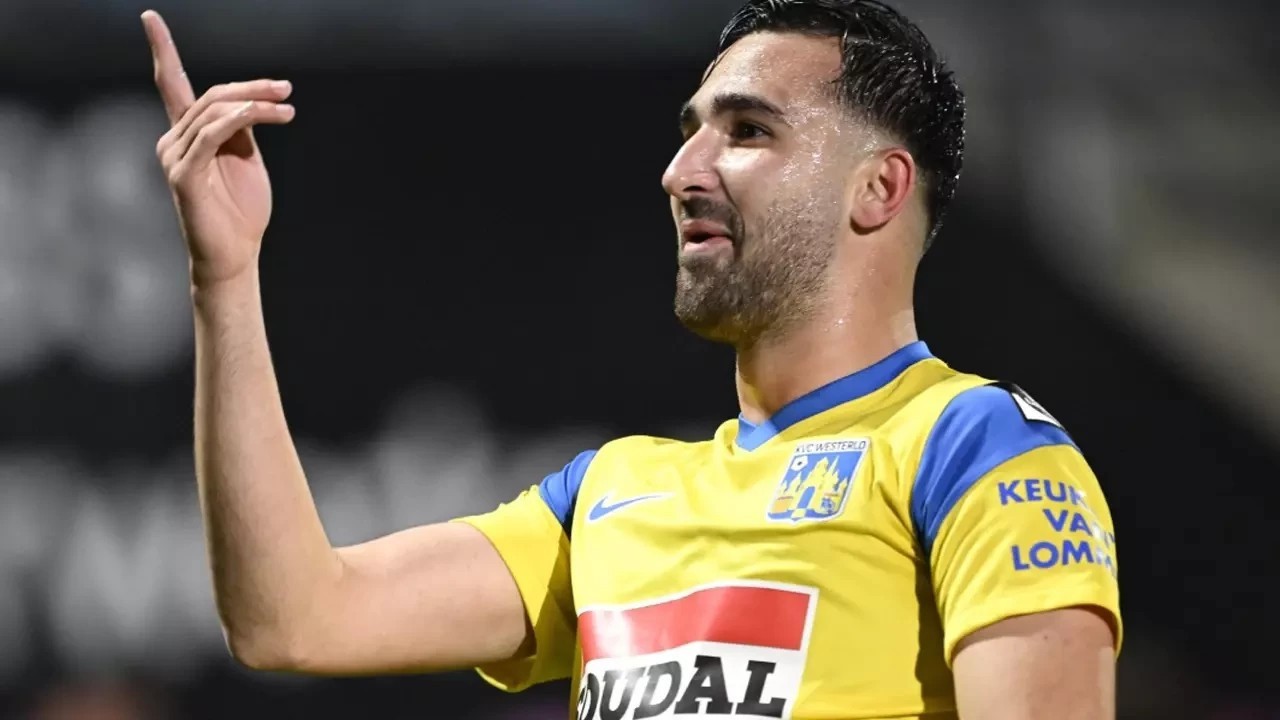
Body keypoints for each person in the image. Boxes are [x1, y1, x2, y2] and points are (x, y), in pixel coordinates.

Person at [142, 0, 1121, 717]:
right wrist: (224, 280)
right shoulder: (610, 494)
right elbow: (293, 619)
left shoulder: (971, 449)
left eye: (746, 131)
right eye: (689, 133)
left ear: (877, 189)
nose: (680, 171)